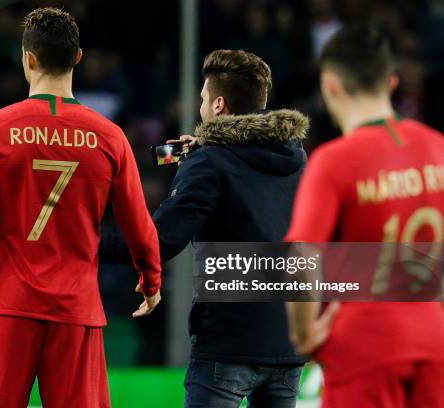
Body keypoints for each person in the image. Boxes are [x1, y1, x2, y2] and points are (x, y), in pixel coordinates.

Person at [0, 8, 162, 408]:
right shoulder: (109, 137)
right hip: (76, 309)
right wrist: (150, 277)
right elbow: (137, 222)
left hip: (9, 306)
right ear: (77, 58)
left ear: (28, 58)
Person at [100, 49, 310, 407]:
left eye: (202, 99)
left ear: (218, 105)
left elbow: (158, 242)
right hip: (286, 343)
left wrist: (86, 242)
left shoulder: (208, 162)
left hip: (228, 342)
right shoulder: (295, 157)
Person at [285, 25, 444, 408]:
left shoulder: (334, 161)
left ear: (330, 86)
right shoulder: (438, 147)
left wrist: (304, 335)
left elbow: (303, 255)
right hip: (435, 339)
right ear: (391, 82)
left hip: (364, 347)